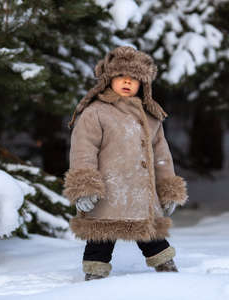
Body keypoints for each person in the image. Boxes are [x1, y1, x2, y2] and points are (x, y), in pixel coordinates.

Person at [63, 46, 188, 281]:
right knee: (100, 239)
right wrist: (85, 186)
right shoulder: (96, 112)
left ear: (143, 84)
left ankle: (170, 277)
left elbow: (162, 156)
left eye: (134, 78)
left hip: (142, 197)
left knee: (152, 237)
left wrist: (168, 190)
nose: (127, 81)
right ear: (109, 79)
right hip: (108, 194)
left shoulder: (151, 117)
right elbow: (83, 151)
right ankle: (94, 281)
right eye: (121, 76)